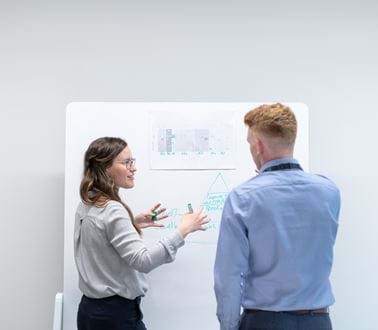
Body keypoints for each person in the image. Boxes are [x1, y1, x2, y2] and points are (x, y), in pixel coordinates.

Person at [214, 103, 340, 330]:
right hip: (319, 321)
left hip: (265, 322)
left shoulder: (243, 198)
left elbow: (230, 277)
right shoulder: (329, 192)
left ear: (258, 146)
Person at [75, 136, 208, 330]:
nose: (133, 168)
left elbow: (98, 234)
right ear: (105, 168)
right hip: (116, 316)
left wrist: (132, 222)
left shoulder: (89, 202)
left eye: (132, 161)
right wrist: (183, 230)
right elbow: (143, 261)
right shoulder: (112, 209)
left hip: (90, 312)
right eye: (126, 162)